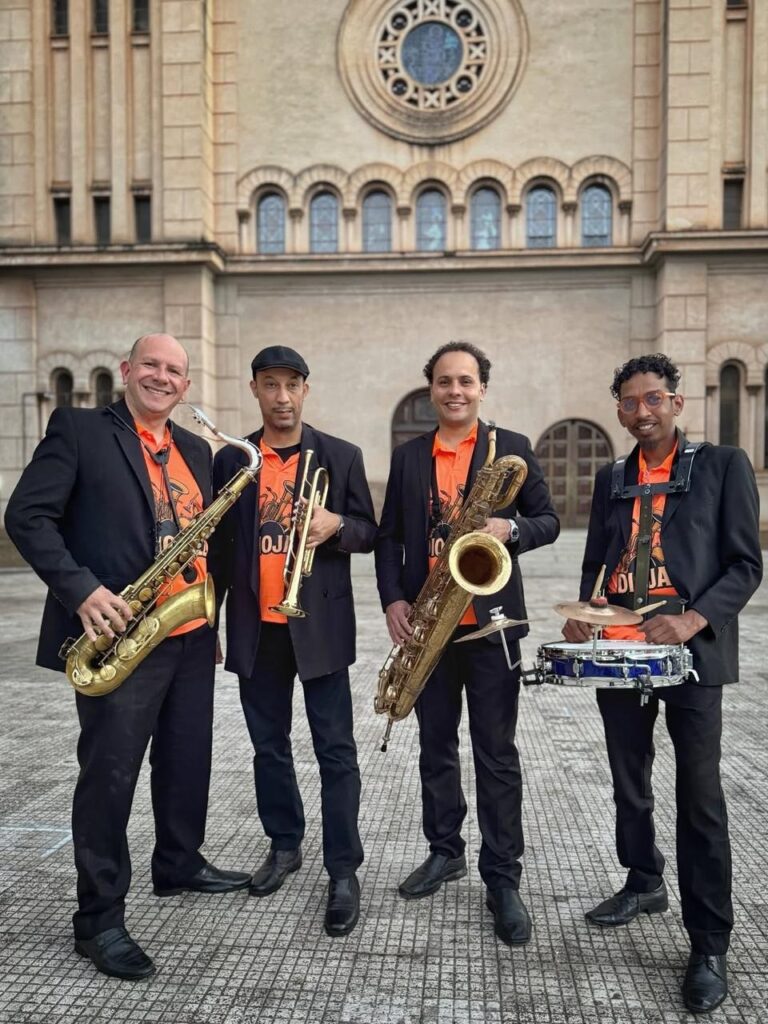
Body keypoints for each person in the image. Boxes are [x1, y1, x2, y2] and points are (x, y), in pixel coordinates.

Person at [4, 334, 252, 981]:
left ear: (186, 385)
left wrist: (210, 613)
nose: (163, 378)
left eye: (175, 370)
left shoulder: (196, 449)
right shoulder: (81, 430)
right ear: (126, 372)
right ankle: (99, 919)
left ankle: (178, 862)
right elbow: (27, 516)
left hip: (189, 630)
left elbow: (204, 540)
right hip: (118, 631)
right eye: (152, 365)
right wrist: (82, 588)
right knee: (110, 776)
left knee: (186, 757)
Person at [562, 353, 762, 1014]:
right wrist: (583, 616)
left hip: (691, 652)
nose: (641, 412)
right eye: (629, 403)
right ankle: (643, 879)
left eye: (653, 399)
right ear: (619, 410)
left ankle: (709, 942)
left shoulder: (723, 465)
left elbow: (744, 563)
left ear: (675, 402)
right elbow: (598, 561)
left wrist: (694, 618)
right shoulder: (612, 475)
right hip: (621, 651)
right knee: (628, 777)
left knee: (700, 795)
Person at [375, 341, 559, 945]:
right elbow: (390, 538)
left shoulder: (513, 450)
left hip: (492, 624)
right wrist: (394, 599)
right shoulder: (407, 457)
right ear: (431, 388)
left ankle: (503, 878)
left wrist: (512, 528)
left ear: (482, 388)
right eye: (445, 381)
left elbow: (549, 521)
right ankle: (444, 849)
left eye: (467, 381)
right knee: (435, 746)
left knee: (496, 754)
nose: (456, 390)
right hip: (431, 621)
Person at [209, 345, 377, 937]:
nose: (282, 397)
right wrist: (210, 624)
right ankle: (285, 844)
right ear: (254, 390)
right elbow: (217, 551)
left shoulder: (342, 455)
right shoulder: (233, 460)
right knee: (268, 747)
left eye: (292, 385)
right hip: (257, 629)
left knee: (336, 751)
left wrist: (338, 528)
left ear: (306, 390)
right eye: (270, 385)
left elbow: (370, 532)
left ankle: (343, 869)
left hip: (319, 627)